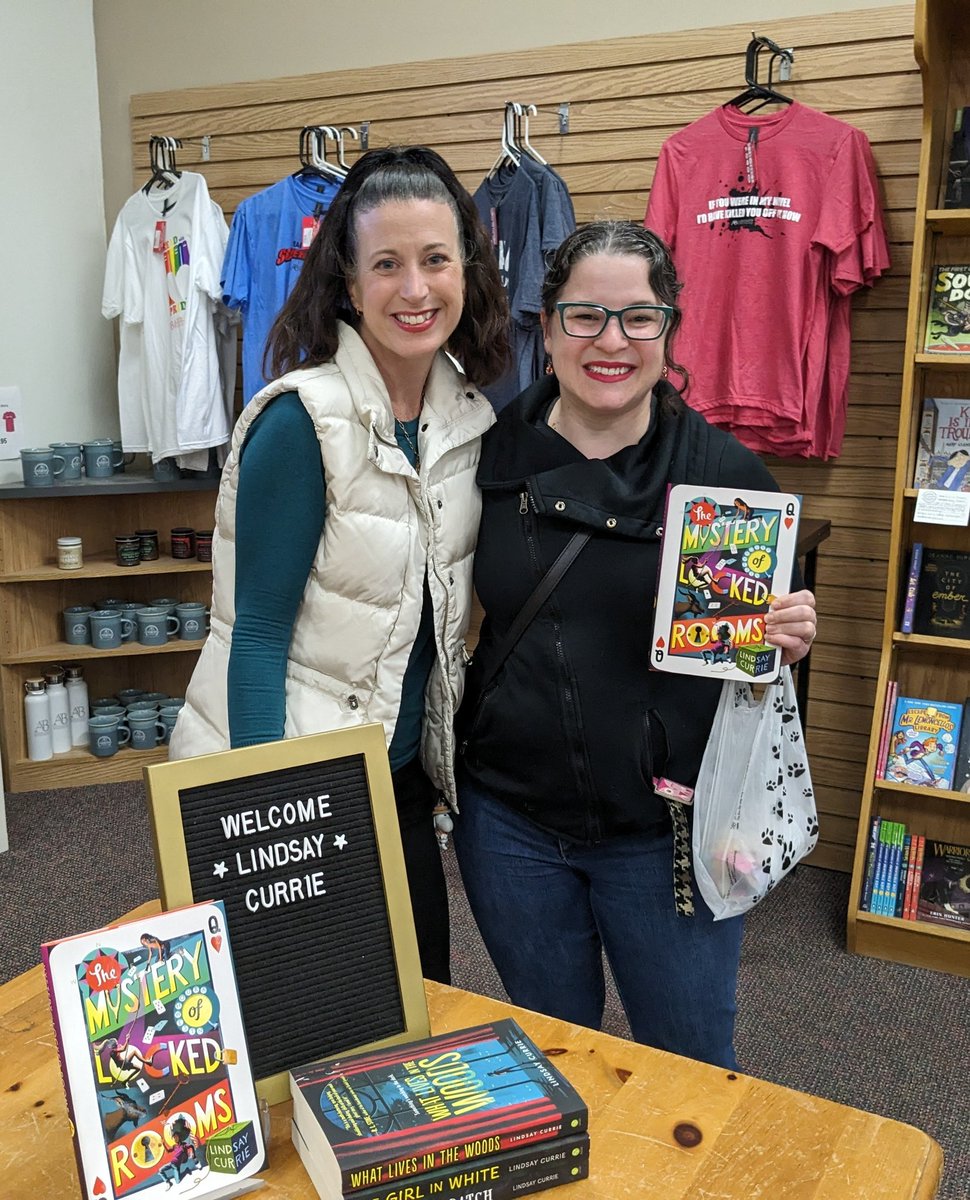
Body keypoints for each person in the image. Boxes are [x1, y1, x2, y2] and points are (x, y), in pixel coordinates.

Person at [453, 221, 817, 1068]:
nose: (611, 342)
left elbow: (752, 676)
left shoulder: (727, 479)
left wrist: (785, 640)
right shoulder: (484, 457)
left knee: (690, 1072)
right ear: (545, 330)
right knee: (554, 1062)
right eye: (585, 316)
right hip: (510, 825)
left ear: (668, 331)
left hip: (668, 839)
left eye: (638, 318)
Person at [169, 147, 510, 984]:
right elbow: (254, 637)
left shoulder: (466, 419)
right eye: (386, 264)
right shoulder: (303, 422)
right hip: (295, 780)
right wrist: (267, 819)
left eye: (435, 260)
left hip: (393, 781)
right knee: (306, 1019)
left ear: (466, 271)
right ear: (349, 284)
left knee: (414, 1000)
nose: (415, 288)